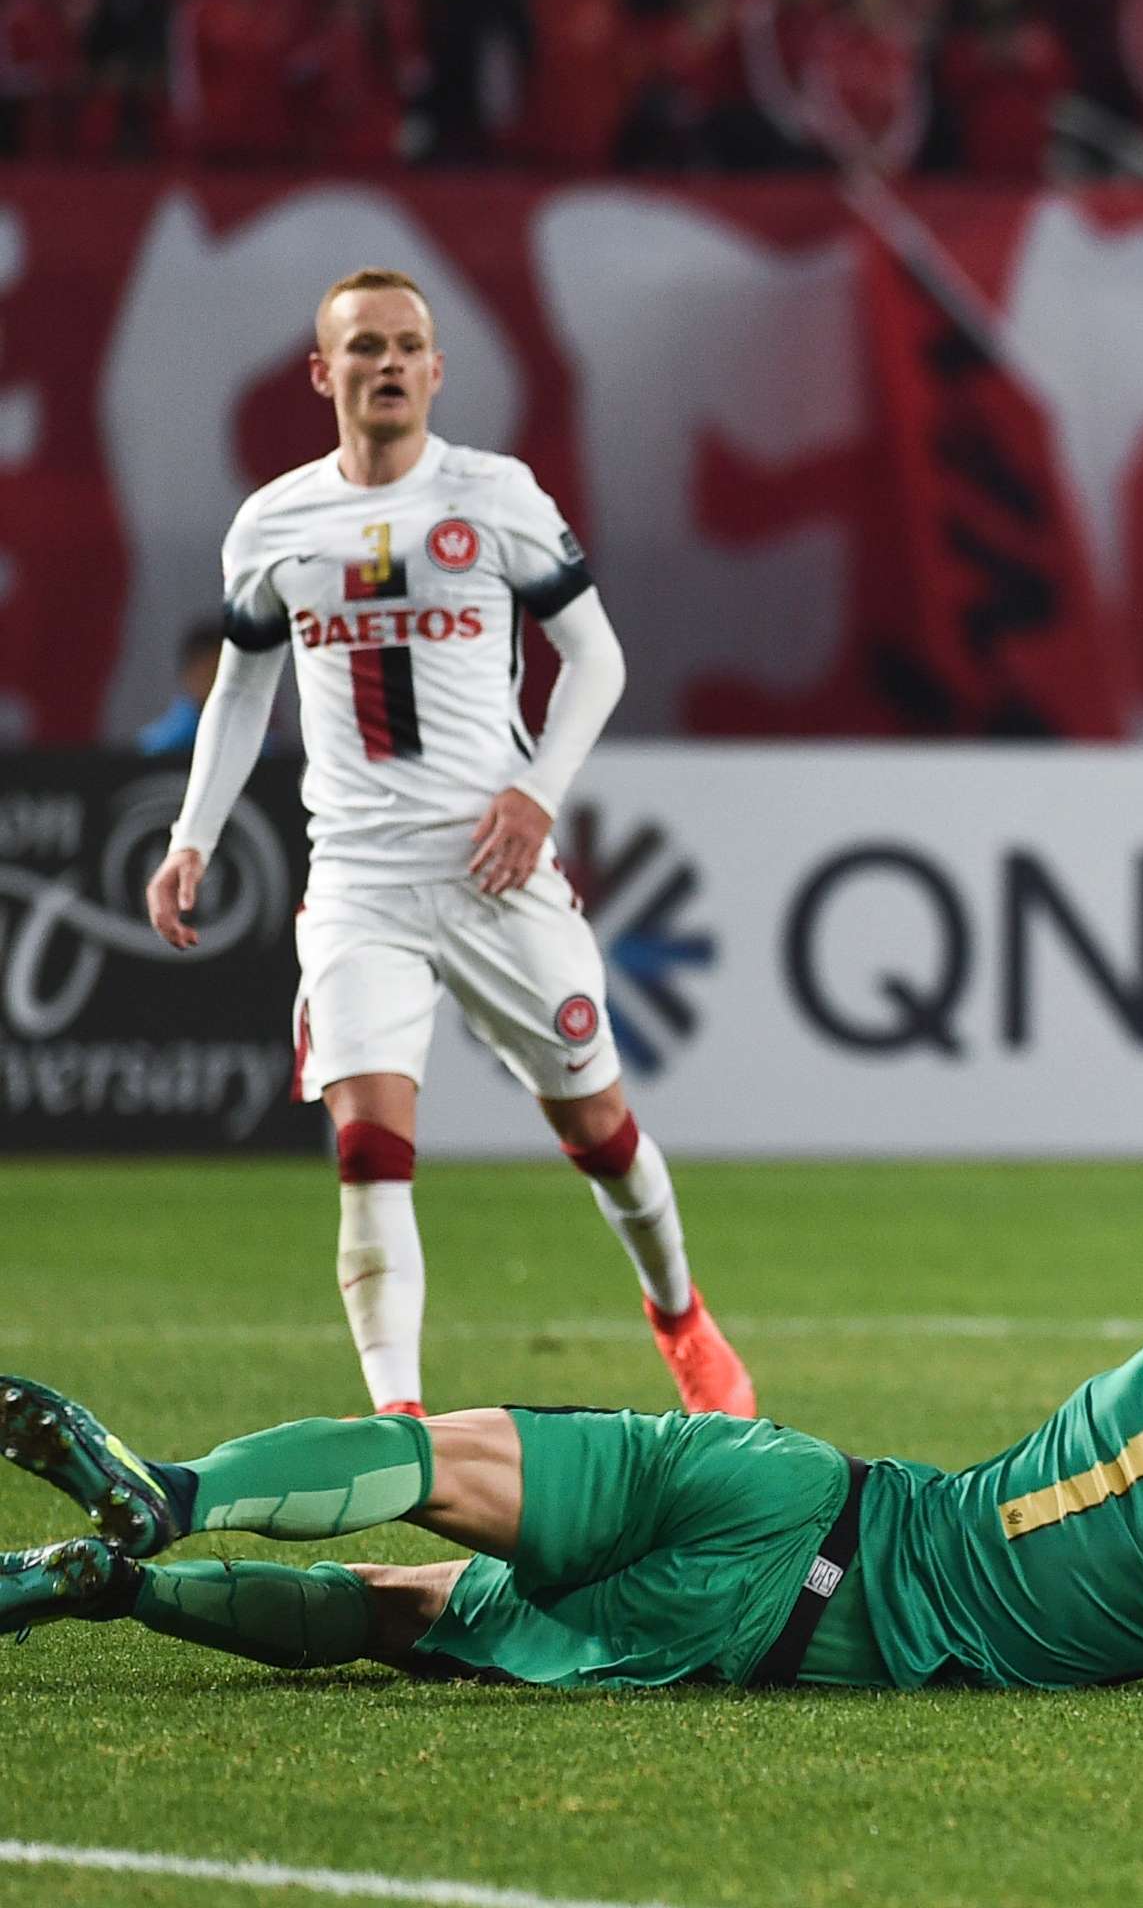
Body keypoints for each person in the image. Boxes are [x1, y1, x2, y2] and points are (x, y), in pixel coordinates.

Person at [0, 1258, 1143, 1689]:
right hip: (776, 1620)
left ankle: (167, 1495)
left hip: (780, 1481)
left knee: (428, 1460)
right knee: (418, 1620)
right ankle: (133, 1588)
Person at [142, 267, 751, 1423]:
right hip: (360, 879)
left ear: (435, 368)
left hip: (496, 868)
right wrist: (192, 837)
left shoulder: (498, 495)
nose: (387, 363)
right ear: (324, 373)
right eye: (363, 345)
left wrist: (536, 794)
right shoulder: (273, 523)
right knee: (369, 1147)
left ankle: (680, 1319)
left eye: (408, 344)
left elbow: (599, 658)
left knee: (602, 1132)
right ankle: (401, 1425)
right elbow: (239, 689)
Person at [134, 617, 227, 755]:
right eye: (210, 673)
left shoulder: (253, 737)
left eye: (225, 674)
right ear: (188, 675)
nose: (218, 683)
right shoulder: (156, 744)